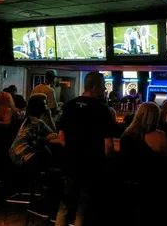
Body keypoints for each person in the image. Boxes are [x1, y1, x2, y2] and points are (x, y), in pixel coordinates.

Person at [55, 72, 114, 226]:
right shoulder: (102, 110)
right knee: (83, 208)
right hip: (91, 166)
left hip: (70, 165)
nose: (104, 88)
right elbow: (108, 145)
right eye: (102, 85)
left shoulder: (69, 105)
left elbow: (61, 136)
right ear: (94, 87)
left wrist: (72, 152)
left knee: (64, 206)